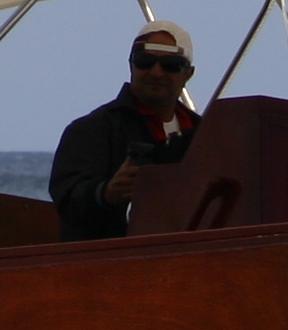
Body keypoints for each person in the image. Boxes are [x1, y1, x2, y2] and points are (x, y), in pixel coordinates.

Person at [49, 20, 199, 240]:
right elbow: (68, 201)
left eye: (171, 65)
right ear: (131, 65)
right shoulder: (90, 130)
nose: (156, 72)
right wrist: (107, 192)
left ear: (189, 73)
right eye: (145, 61)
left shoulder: (205, 134)